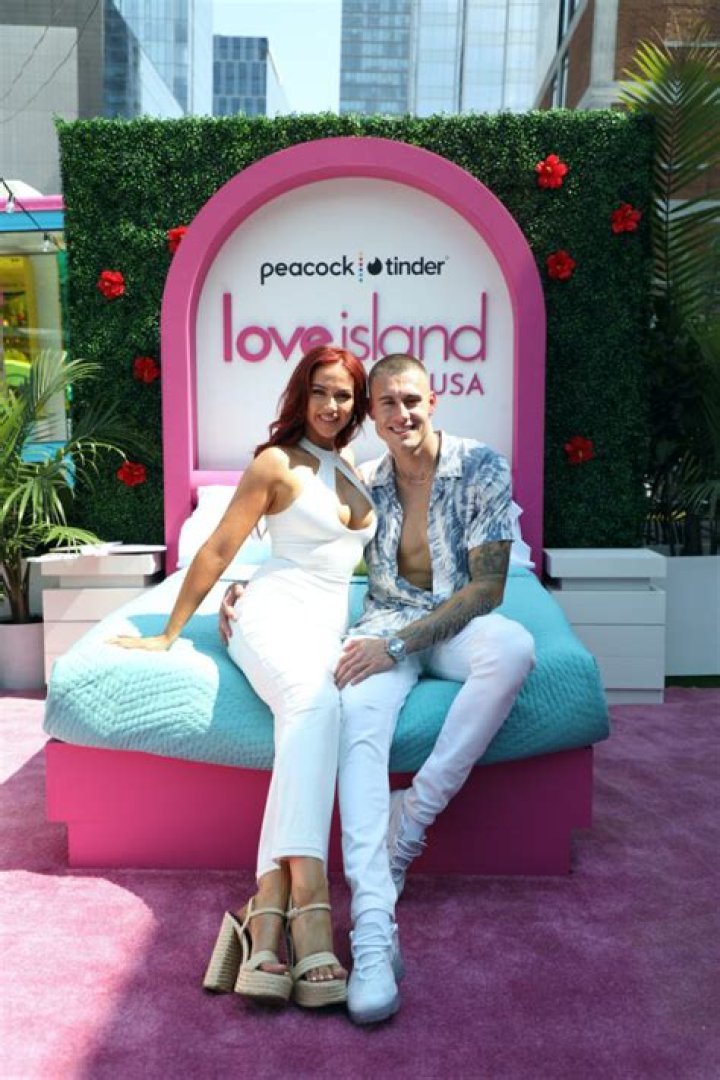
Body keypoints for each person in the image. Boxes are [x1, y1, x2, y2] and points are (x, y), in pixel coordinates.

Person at [222, 352, 536, 1026]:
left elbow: (489, 588)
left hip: (452, 624)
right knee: (352, 713)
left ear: (434, 400)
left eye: (412, 400)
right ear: (372, 414)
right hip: (383, 623)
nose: (401, 414)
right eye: (387, 404)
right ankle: (372, 932)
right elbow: (308, 548)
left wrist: (397, 646)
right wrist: (250, 591)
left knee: (515, 648)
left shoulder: (481, 466)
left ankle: (410, 823)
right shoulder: (362, 482)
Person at [112, 345, 375, 1010]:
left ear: (357, 404)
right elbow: (219, 547)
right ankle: (311, 905)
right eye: (320, 391)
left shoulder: (355, 469)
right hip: (269, 615)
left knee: (319, 710)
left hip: (324, 630)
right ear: (301, 394)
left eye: (343, 394)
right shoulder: (275, 463)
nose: (330, 405)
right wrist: (170, 632)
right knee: (315, 705)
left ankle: (265, 907)